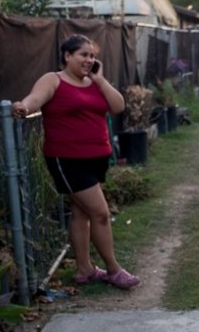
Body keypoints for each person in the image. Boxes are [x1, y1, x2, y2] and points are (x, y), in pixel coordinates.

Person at [13, 34, 140, 290]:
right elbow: (35, 98)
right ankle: (114, 270)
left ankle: (84, 269)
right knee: (101, 214)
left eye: (92, 55)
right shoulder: (54, 80)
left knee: (81, 213)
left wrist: (100, 79)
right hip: (67, 159)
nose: (89, 59)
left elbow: (118, 106)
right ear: (67, 56)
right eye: (83, 54)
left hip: (96, 157)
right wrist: (24, 106)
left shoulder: (95, 83)